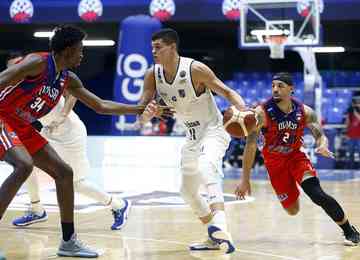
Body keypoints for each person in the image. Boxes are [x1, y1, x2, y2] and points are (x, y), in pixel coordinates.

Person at [0, 25, 168, 258]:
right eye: (80, 50)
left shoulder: (67, 78)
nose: (82, 55)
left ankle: (68, 242)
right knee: (24, 165)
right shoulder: (37, 62)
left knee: (64, 172)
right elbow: (3, 79)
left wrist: (141, 109)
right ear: (68, 50)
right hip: (2, 115)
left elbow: (100, 105)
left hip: (22, 124)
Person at [138, 28, 246, 254]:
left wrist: (244, 111)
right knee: (187, 192)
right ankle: (215, 236)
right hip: (191, 136)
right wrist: (150, 113)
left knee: (207, 166)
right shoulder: (152, 74)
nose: (154, 52)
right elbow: (141, 116)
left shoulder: (195, 69)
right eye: (152, 48)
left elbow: (227, 92)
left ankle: (222, 226)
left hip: (214, 130)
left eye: (158, 48)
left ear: (172, 47)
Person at [5, 53, 130, 231]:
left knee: (74, 182)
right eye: (12, 68)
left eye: (18, 65)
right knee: (26, 165)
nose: (15, 70)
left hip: (70, 133)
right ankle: (36, 208)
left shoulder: (44, 78)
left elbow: (74, 93)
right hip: (48, 131)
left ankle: (117, 204)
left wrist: (63, 115)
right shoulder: (15, 90)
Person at [235, 72, 360, 246]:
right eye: (273, 86)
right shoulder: (261, 113)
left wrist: (322, 145)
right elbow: (250, 145)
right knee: (292, 210)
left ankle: (349, 231)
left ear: (291, 89)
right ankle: (293, 188)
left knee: (317, 195)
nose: (275, 89)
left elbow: (320, 135)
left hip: (296, 159)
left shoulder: (305, 112)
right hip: (275, 165)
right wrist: (245, 180)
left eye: (280, 86)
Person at [345, 97, 360, 169]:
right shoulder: (350, 111)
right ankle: (351, 167)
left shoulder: (358, 111)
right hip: (351, 135)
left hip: (359, 135)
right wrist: (346, 132)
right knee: (351, 152)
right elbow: (347, 122)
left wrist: (356, 112)